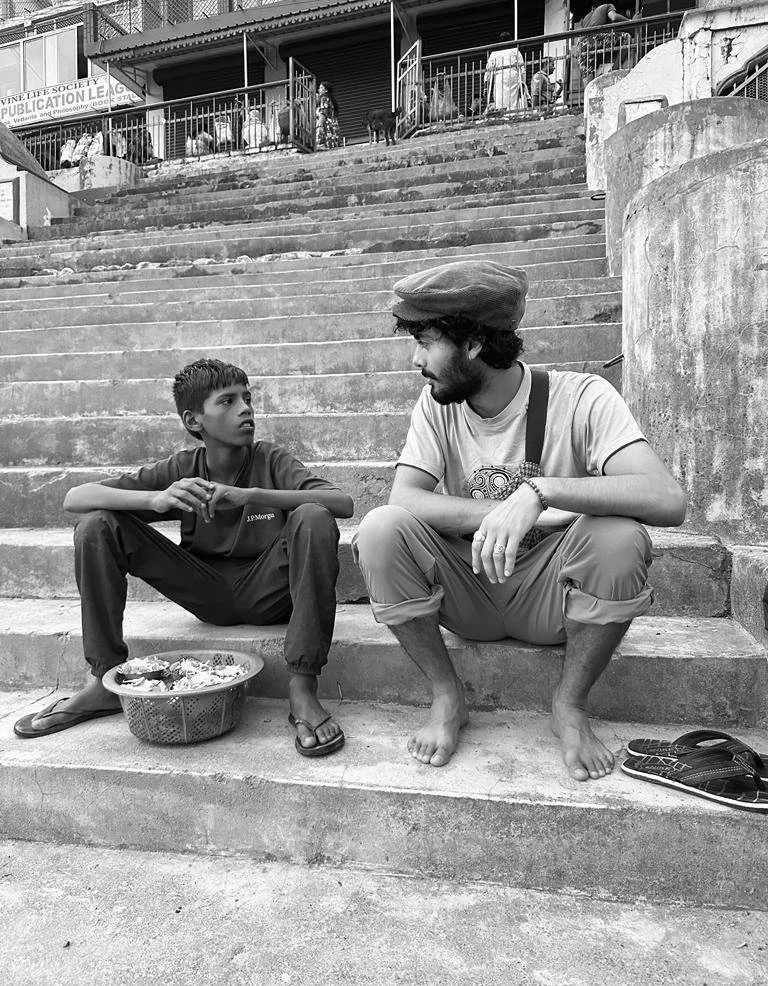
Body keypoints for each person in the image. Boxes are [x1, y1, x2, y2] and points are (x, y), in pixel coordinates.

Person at [353, 261, 687, 781]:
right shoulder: (437, 402)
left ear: (473, 344)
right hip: (473, 587)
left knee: (620, 537)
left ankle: (570, 705)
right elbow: (406, 498)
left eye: (426, 341)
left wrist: (540, 492)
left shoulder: (583, 396)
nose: (416, 359)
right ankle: (446, 696)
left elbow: (667, 499)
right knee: (379, 528)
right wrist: (500, 510)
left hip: (552, 597)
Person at [14, 358, 354, 758]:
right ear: (195, 421)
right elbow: (76, 499)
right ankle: (104, 679)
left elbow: (342, 503)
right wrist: (157, 499)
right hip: (204, 590)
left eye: (247, 398)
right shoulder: (183, 468)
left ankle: (301, 686)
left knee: (313, 516)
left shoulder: (270, 460)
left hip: (270, 591)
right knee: (97, 526)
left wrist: (250, 496)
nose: (245, 408)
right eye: (227, 402)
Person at [575, 3, 634, 83]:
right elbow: (614, 17)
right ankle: (614, 70)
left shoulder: (587, 16)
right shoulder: (607, 6)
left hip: (580, 45)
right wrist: (630, 21)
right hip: (593, 39)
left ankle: (589, 94)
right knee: (626, 37)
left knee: (588, 77)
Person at [483, 33, 529, 113]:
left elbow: (488, 70)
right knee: (513, 100)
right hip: (513, 76)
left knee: (500, 99)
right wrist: (523, 82)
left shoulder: (494, 53)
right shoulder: (515, 51)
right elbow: (522, 68)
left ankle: (502, 115)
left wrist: (486, 85)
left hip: (499, 77)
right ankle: (513, 114)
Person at [315, 82, 341, 149]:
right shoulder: (330, 98)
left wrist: (320, 125)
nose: (319, 89)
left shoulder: (324, 98)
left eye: (321, 88)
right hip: (333, 123)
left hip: (326, 124)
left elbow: (323, 112)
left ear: (326, 90)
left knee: (326, 145)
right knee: (333, 144)